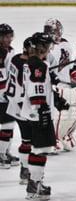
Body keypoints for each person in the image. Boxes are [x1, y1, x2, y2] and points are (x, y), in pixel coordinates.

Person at [21, 32, 56, 200]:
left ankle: (34, 183)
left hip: (32, 111)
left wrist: (58, 99)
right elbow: (36, 89)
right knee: (40, 150)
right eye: (48, 45)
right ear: (43, 47)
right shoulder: (39, 65)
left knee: (38, 149)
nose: (50, 49)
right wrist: (42, 109)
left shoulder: (33, 62)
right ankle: (34, 185)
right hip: (37, 112)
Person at [44, 18, 76, 152]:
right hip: (54, 85)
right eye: (51, 31)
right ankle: (52, 139)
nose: (54, 33)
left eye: (55, 30)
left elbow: (69, 65)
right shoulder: (46, 46)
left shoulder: (66, 44)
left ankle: (66, 135)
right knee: (55, 114)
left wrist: (74, 75)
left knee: (69, 114)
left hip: (65, 85)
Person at [6, 37, 34, 184]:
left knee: (26, 139)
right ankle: (25, 170)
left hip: (14, 104)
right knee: (29, 140)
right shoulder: (26, 65)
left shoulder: (16, 58)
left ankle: (25, 169)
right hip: (22, 106)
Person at [0, 23, 17, 168]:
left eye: (10, 36)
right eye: (5, 36)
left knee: (10, 125)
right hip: (2, 94)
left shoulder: (9, 50)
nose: (9, 39)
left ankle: (5, 151)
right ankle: (1, 154)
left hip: (6, 94)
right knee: (7, 124)